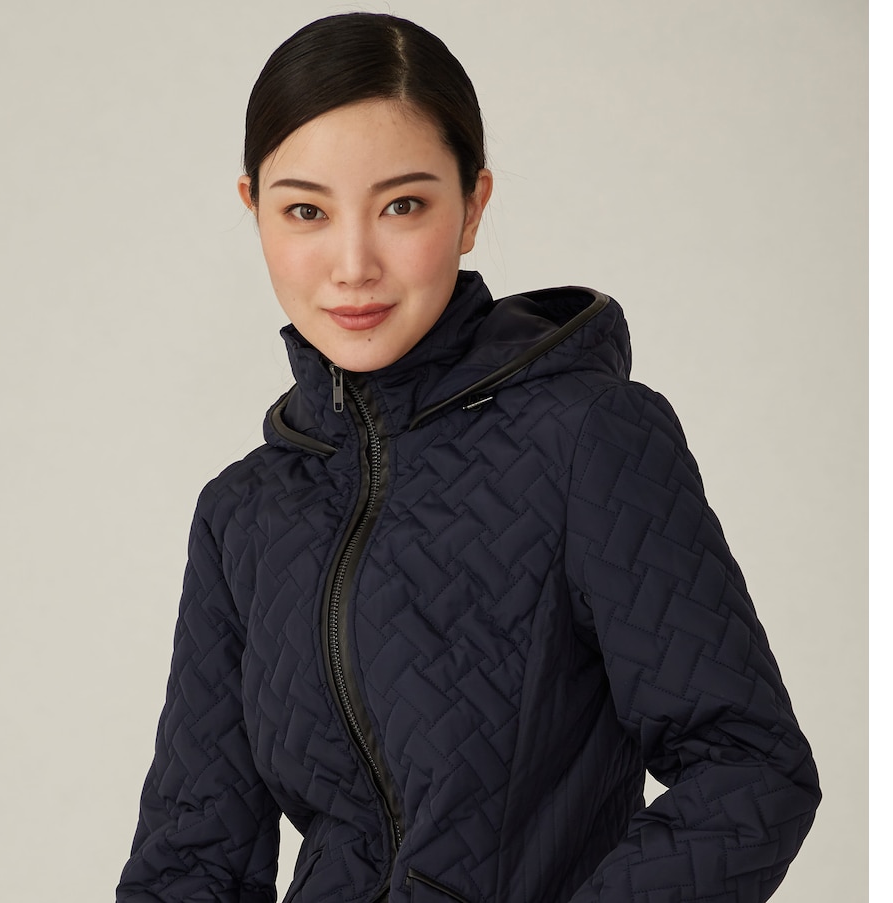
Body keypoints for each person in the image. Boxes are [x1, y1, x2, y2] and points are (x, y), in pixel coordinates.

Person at [116, 12, 820, 903]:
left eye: (402, 205)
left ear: (473, 205)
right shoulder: (243, 513)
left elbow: (749, 768)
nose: (353, 264)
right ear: (254, 209)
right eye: (306, 211)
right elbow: (193, 855)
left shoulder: (590, 438)